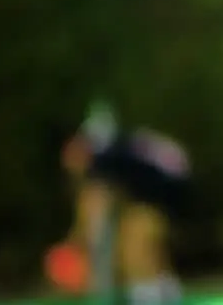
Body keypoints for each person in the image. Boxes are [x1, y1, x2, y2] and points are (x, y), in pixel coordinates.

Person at [51, 120, 190, 304]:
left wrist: (76, 242)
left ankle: (148, 298)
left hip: (166, 188)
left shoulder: (101, 160)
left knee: (134, 248)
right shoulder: (110, 149)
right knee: (148, 252)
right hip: (176, 181)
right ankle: (167, 296)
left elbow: (94, 212)